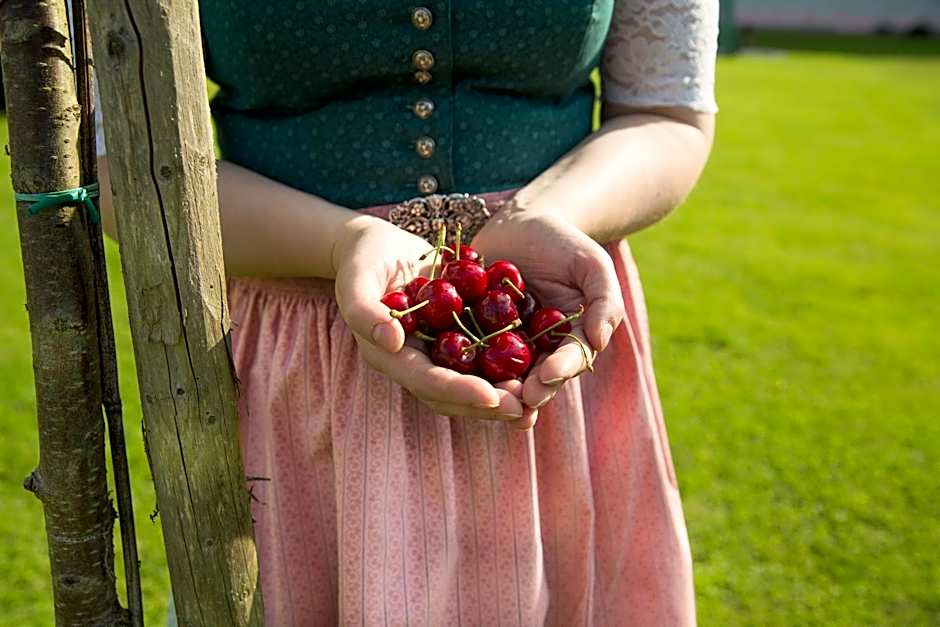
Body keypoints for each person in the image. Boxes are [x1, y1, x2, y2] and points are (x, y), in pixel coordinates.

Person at [94, 1, 718, 624]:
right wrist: (340, 243)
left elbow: (666, 114)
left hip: (550, 325)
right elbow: (121, 157)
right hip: (304, 357)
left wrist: (547, 216)